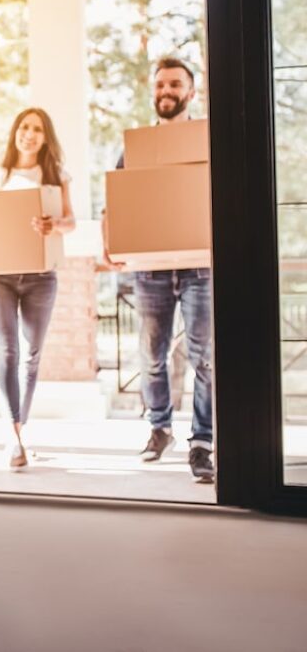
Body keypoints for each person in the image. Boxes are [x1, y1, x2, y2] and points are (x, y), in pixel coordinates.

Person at [102, 58, 214, 483]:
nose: (167, 90)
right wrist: (110, 244)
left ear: (191, 91)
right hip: (149, 269)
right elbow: (115, 201)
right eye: (161, 84)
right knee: (151, 356)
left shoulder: (205, 140)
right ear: (153, 92)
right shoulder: (135, 147)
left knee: (205, 358)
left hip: (199, 266)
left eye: (175, 84)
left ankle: (202, 442)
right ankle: (159, 428)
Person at [0, 108, 75, 469]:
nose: (29, 134)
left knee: (31, 357)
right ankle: (12, 435)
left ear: (46, 137)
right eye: (24, 127)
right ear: (14, 132)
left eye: (37, 129)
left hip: (40, 277)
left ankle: (20, 429)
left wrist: (54, 224)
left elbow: (71, 221)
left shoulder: (55, 176)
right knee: (8, 352)